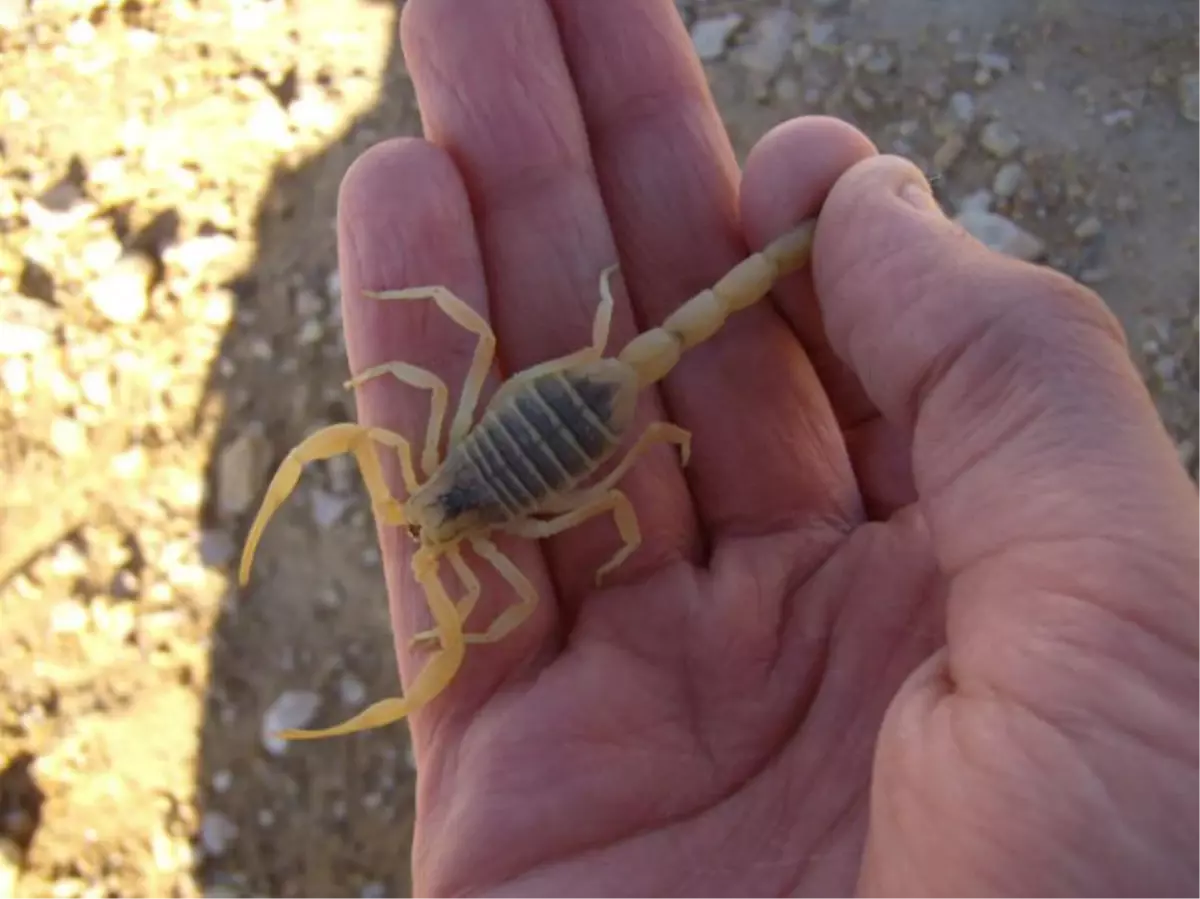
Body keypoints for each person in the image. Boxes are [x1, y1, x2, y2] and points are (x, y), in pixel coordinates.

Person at [333, 2, 1200, 895]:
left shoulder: (469, 519)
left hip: (572, 415)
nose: (419, 533)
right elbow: (500, 415)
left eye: (422, 524)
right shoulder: (466, 493)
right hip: (575, 419)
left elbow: (467, 391)